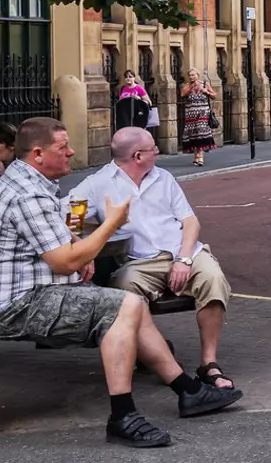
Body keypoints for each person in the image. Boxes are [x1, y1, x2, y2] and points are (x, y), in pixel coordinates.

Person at [0, 116, 242, 448]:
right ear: (37, 154)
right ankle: (123, 416)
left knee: (132, 304)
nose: (71, 153)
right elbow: (64, 259)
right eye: (63, 147)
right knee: (124, 304)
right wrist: (110, 225)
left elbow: (53, 243)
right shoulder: (28, 194)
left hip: (30, 293)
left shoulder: (30, 184)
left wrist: (77, 255)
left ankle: (189, 391)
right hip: (14, 306)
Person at [71, 127, 236, 391]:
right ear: (137, 156)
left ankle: (208, 364)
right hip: (139, 261)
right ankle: (158, 356)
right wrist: (79, 246)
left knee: (213, 279)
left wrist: (184, 258)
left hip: (183, 251)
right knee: (124, 289)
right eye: (153, 149)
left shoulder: (164, 178)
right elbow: (68, 219)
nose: (157, 152)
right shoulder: (97, 184)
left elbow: (190, 220)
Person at [179, 70, 218, 167]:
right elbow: (182, 95)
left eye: (193, 75)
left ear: (197, 75)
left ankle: (200, 157)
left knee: (201, 133)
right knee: (193, 135)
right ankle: (195, 156)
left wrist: (206, 92)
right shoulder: (187, 85)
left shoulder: (205, 84)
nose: (192, 77)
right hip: (191, 115)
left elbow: (214, 96)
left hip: (203, 113)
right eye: (190, 75)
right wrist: (191, 87)